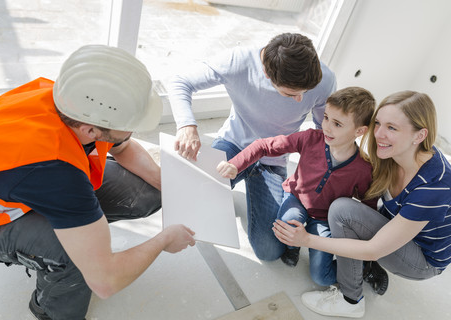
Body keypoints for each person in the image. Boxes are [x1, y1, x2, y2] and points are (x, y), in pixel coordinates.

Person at [0, 45, 196, 320]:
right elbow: (106, 281)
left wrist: (167, 185)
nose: (133, 128)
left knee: (147, 193)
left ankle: (77, 229)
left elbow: (122, 147)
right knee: (75, 260)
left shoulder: (73, 101)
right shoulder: (56, 171)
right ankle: (49, 310)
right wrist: (164, 240)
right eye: (130, 122)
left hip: (30, 184)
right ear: (91, 130)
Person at [273, 91, 451, 318]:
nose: (379, 134)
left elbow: (373, 248)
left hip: (422, 259)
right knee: (343, 211)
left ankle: (351, 300)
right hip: (395, 229)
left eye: (392, 128)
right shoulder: (391, 156)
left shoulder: (434, 186)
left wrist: (306, 240)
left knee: (342, 211)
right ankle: (365, 268)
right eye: (378, 123)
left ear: (419, 135)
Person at [168, 33, 336, 261]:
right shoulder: (238, 61)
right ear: (266, 73)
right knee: (184, 203)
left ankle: (252, 189)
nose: (300, 100)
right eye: (290, 93)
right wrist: (186, 125)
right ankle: (232, 184)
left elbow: (322, 132)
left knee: (270, 251)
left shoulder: (323, 80)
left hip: (272, 159)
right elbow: (180, 81)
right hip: (234, 145)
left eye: (304, 93)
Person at [217, 87, 377, 287]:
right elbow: (264, 146)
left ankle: (365, 269)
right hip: (296, 200)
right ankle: (291, 246)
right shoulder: (311, 138)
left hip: (324, 220)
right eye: (326, 117)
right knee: (286, 222)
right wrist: (235, 164)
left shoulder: (363, 169)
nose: (327, 127)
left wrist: (364, 249)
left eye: (337, 124)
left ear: (360, 131)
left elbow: (367, 206)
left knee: (321, 277)